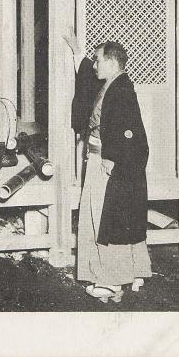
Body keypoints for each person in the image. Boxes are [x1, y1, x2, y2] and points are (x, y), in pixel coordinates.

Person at [64, 34, 151, 302]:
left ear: (112, 62)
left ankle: (112, 282)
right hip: (102, 159)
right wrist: (78, 52)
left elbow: (128, 131)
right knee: (104, 217)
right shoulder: (113, 84)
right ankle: (131, 272)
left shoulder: (122, 90)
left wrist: (112, 157)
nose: (94, 65)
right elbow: (88, 83)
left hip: (108, 163)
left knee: (103, 219)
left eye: (98, 59)